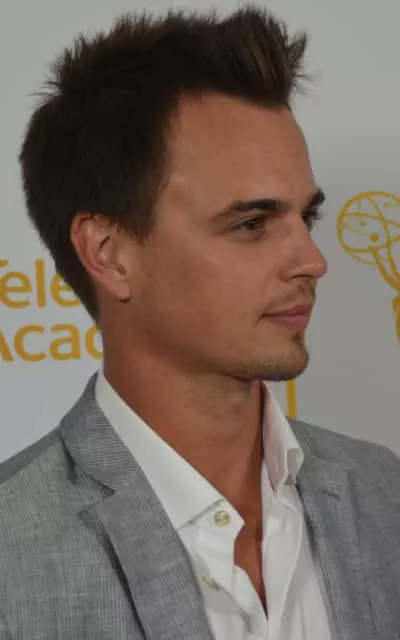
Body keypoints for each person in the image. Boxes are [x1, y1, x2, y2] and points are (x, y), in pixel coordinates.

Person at [0, 5, 399, 639]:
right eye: (252, 224)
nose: (313, 261)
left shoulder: (383, 493)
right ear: (109, 254)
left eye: (307, 218)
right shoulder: (13, 551)